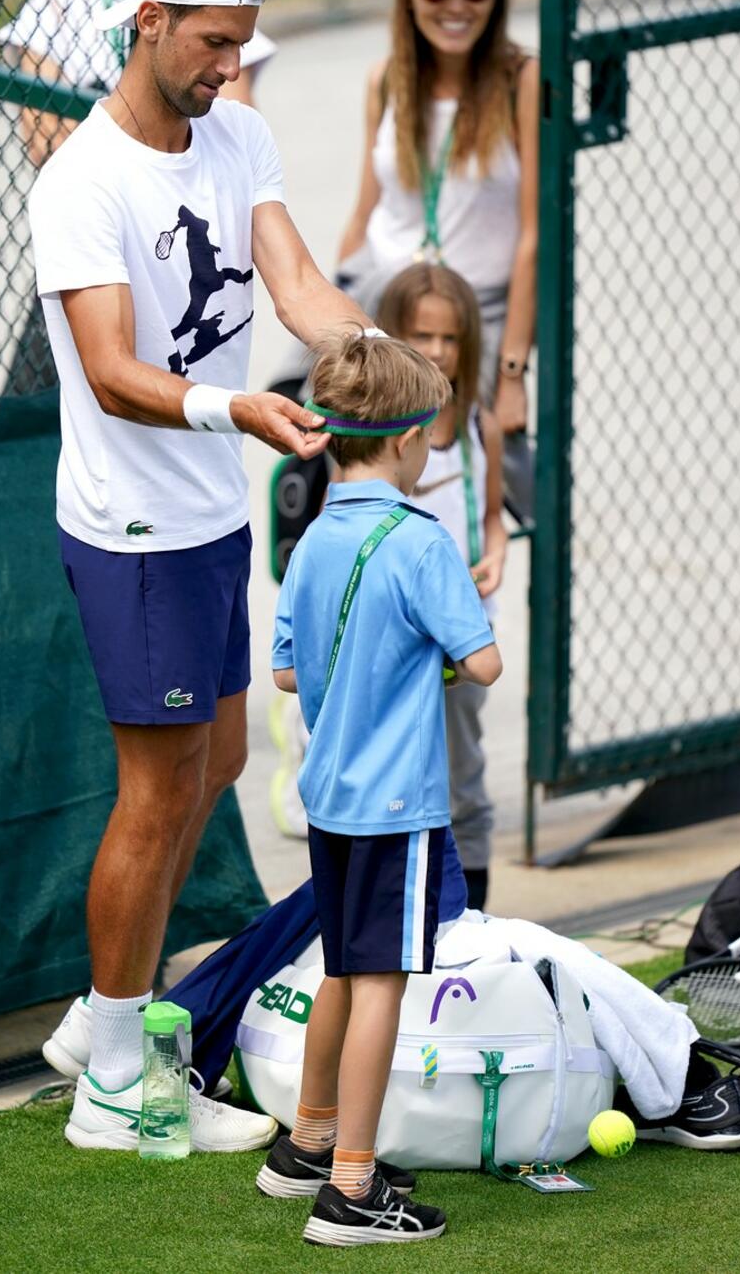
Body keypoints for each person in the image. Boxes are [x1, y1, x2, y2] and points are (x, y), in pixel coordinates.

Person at [29, 0, 378, 1154]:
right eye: (213, 43)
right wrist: (238, 407)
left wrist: (365, 351)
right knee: (155, 787)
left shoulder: (237, 130)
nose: (230, 66)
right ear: (148, 24)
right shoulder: (79, 181)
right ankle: (113, 1085)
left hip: (209, 513)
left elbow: (291, 280)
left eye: (241, 45)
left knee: (218, 763)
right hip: (131, 527)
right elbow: (115, 372)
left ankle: (104, 1020)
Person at [261, 331, 502, 1246]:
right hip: (398, 806)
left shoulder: (315, 536)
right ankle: (353, 1191)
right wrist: (452, 629)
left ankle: (309, 1143)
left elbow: (288, 674)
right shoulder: (422, 541)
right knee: (382, 986)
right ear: (405, 442)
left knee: (342, 970)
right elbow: (481, 662)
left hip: (329, 799)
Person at [0, 0, 276, 390]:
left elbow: (234, 119)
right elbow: (45, 140)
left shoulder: (222, 9)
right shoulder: (57, 10)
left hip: (180, 258)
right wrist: (145, 127)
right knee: (39, 410)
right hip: (98, 256)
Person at [336, 0, 538, 519]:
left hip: (476, 312)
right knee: (316, 430)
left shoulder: (519, 80)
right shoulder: (385, 80)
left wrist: (511, 373)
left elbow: (535, 233)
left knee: (489, 479)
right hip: (385, 294)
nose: (456, 5)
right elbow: (366, 211)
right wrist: (337, 317)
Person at [376, 263, 505, 909]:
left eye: (450, 339)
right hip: (399, 638)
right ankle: (402, 903)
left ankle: (471, 908)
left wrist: (497, 556)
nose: (436, 351)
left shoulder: (479, 424)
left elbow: (491, 517)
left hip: (463, 636)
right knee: (400, 774)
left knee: (463, 772)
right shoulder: (380, 433)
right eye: (422, 336)